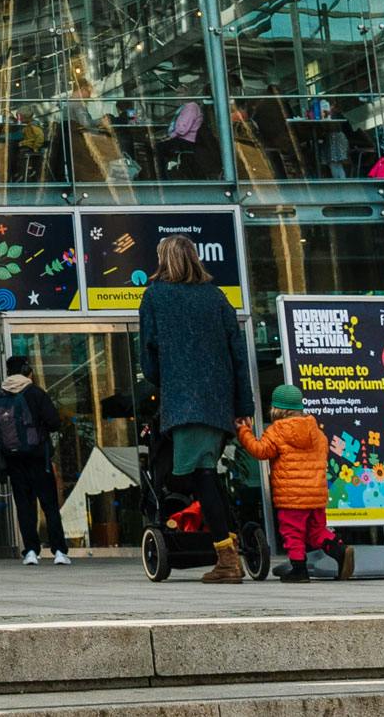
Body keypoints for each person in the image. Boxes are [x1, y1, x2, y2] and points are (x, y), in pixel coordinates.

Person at [136, 233, 253, 584]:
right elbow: (238, 356)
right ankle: (229, 545)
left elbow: (149, 352)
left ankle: (226, 557)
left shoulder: (156, 295)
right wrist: (243, 405)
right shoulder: (217, 297)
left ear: (163, 259)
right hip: (219, 403)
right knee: (208, 474)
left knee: (197, 476)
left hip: (186, 402)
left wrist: (163, 381)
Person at [236, 385, 350, 583]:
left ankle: (299, 570)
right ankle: (340, 550)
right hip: (316, 494)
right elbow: (323, 454)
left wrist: (244, 431)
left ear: (278, 409)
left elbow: (260, 450)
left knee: (292, 533)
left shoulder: (277, 431)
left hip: (291, 496)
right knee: (317, 531)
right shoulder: (316, 431)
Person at [0, 357, 68, 565]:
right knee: (49, 505)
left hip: (14, 460)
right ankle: (59, 550)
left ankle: (31, 551)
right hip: (38, 458)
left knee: (24, 506)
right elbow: (54, 423)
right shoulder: (36, 393)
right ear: (27, 371)